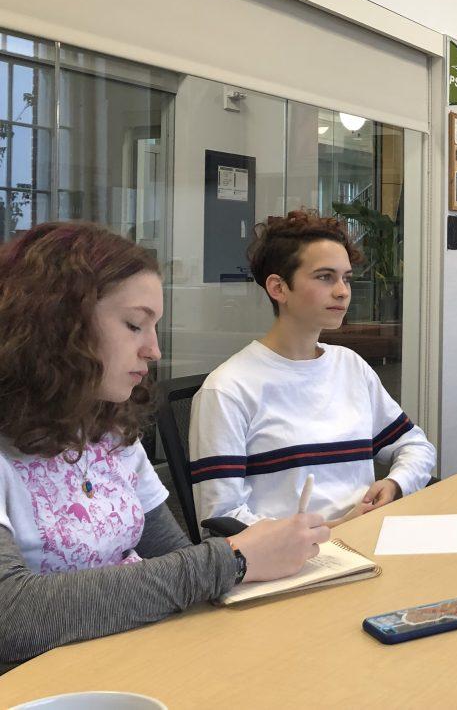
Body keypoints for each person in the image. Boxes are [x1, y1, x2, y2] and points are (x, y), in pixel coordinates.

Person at [0, 222, 328, 672]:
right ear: (57, 324)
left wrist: (240, 560)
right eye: (134, 324)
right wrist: (232, 560)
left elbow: (174, 559)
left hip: (139, 658)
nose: (154, 349)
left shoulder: (109, 430)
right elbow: (11, 615)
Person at [190, 210, 435, 529]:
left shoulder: (351, 367)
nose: (343, 291)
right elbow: (220, 520)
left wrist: (396, 483)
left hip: (367, 542)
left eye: (346, 277)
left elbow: (415, 446)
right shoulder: (228, 389)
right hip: (288, 566)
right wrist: (324, 532)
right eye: (325, 277)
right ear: (278, 288)